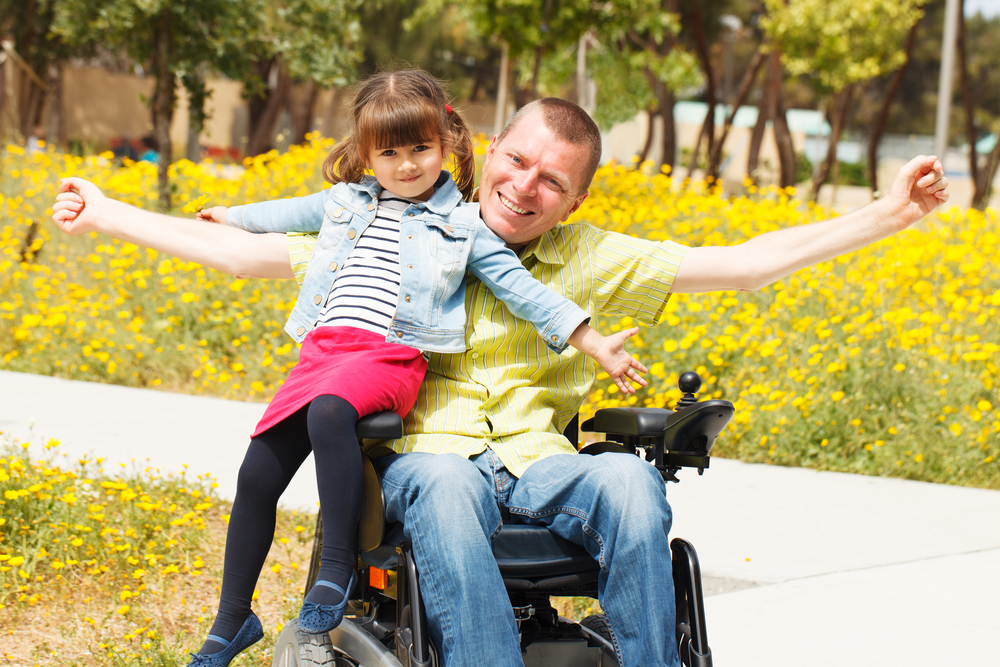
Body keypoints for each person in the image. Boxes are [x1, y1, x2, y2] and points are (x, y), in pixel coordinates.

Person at [51, 97, 949, 667]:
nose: (527, 187)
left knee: (631, 479)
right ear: (487, 152)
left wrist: (890, 213)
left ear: (578, 200)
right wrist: (112, 211)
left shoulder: (593, 260)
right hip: (432, 458)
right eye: (516, 163)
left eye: (554, 181)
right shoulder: (401, 222)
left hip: (539, 459)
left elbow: (749, 263)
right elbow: (239, 250)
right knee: (441, 483)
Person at [54, 74, 648, 667]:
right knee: (257, 473)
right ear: (367, 155)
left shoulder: (463, 228)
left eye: (420, 149)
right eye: (389, 153)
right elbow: (270, 222)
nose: (407, 166)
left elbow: (524, 292)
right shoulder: (347, 207)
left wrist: (593, 342)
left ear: (447, 144)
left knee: (334, 411)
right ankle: (232, 621)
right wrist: (208, 214)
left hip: (389, 359)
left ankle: (333, 579)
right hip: (328, 355)